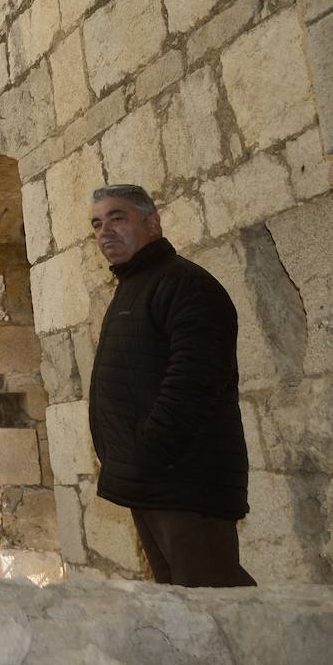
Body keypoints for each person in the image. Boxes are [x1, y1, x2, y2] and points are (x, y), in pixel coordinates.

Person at [88, 184, 255, 587]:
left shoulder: (185, 284)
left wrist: (148, 452)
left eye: (117, 218)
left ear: (152, 222)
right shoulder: (136, 285)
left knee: (214, 607)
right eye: (96, 224)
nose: (104, 232)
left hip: (184, 484)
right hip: (152, 483)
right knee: (182, 611)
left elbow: (194, 383)